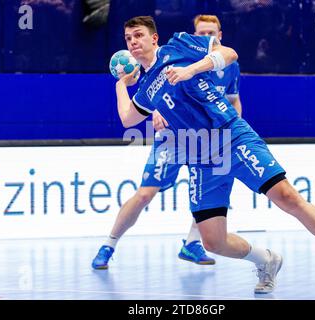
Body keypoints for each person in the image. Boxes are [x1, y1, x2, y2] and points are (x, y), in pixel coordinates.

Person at [96, 15, 315, 294]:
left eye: (138, 36)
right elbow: (127, 118)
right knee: (213, 242)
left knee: (286, 196)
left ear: (153, 38)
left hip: (231, 135)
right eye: (128, 39)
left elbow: (229, 53)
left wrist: (191, 70)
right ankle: (266, 260)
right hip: (201, 158)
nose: (133, 43)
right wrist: (121, 84)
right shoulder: (145, 88)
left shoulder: (178, 46)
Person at [92, 14, 244, 270]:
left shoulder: (228, 66)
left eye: (212, 34)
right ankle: (109, 244)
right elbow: (152, 95)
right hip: (173, 138)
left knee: (214, 196)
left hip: (209, 140)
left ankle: (192, 243)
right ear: (196, 35)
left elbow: (233, 101)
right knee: (145, 193)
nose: (207, 37)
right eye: (202, 33)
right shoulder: (182, 54)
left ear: (220, 36)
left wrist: (232, 129)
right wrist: (155, 110)